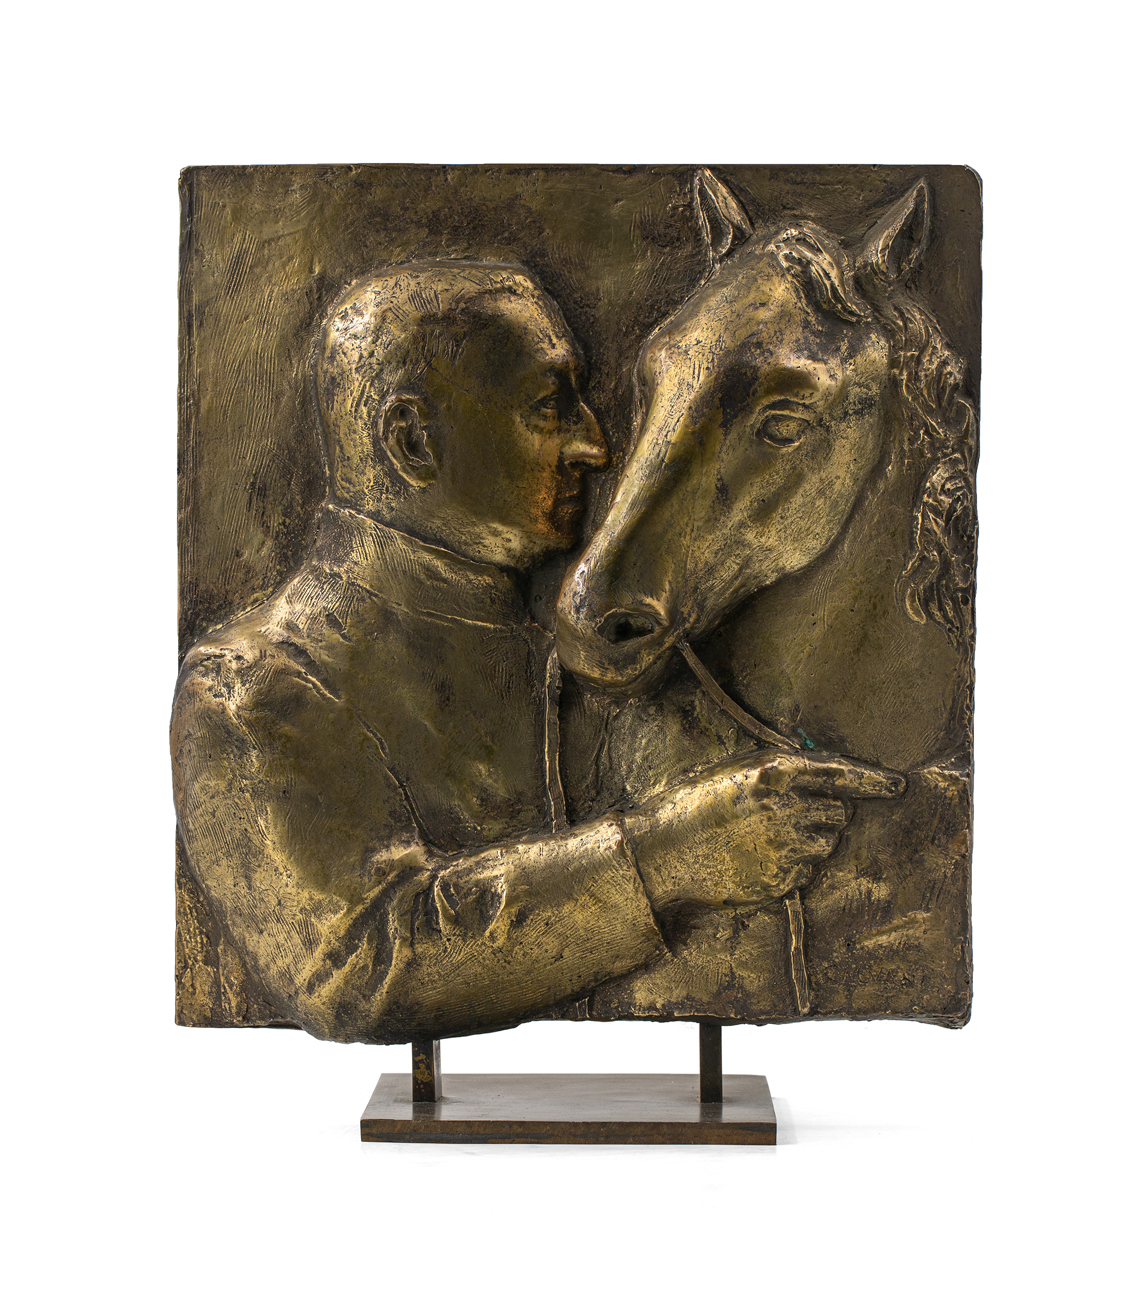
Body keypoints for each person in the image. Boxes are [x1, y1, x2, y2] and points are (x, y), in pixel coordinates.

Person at [171, 260, 903, 1045]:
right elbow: (358, 970)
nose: (594, 445)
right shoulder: (251, 693)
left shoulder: (611, 658)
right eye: (549, 407)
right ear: (412, 441)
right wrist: (669, 857)